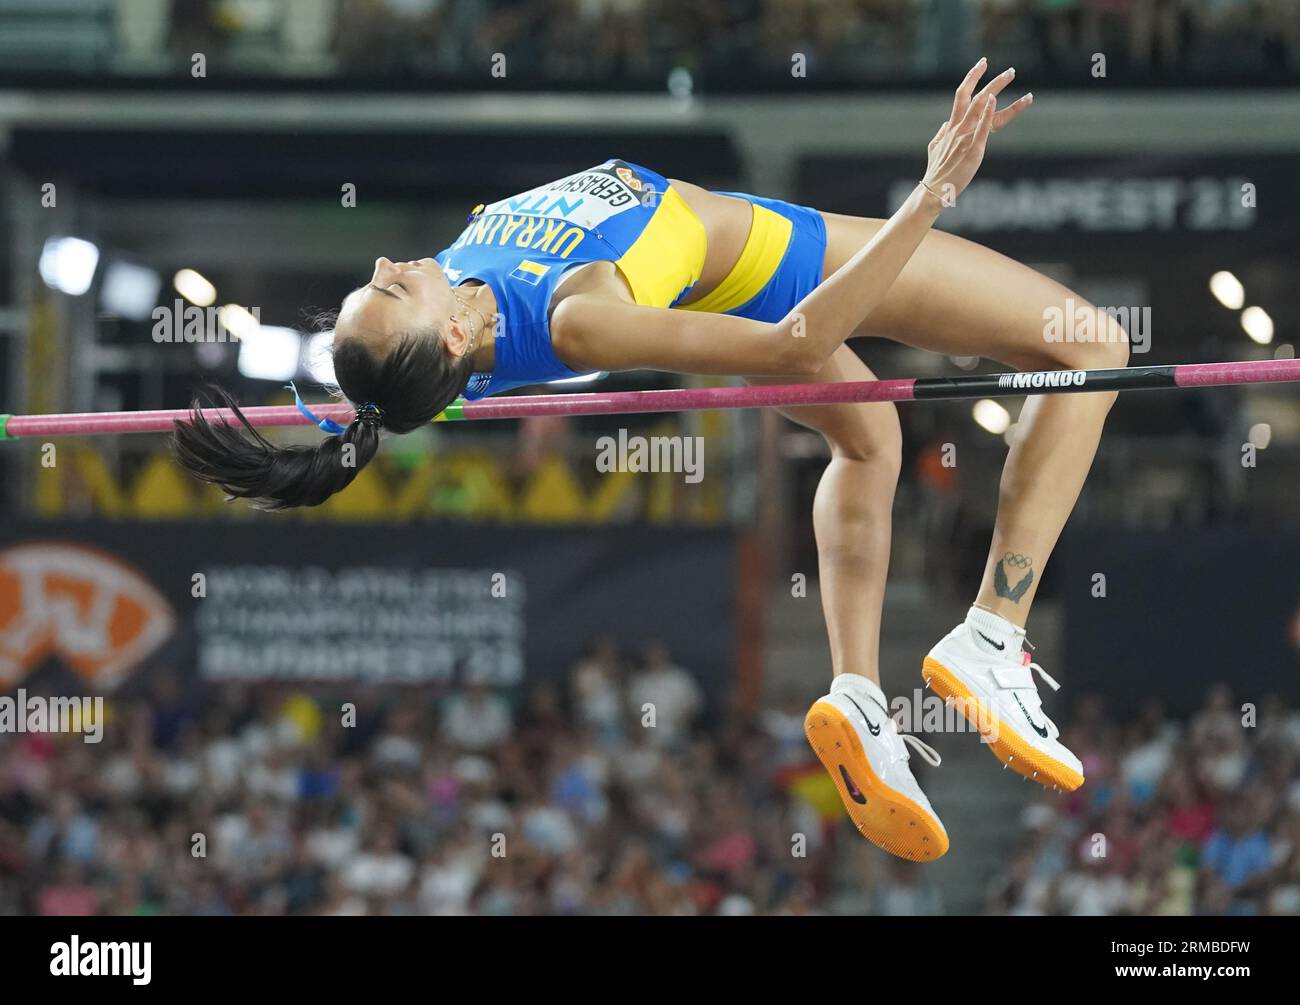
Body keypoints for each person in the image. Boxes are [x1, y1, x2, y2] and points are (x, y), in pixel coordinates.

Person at [174, 60, 1128, 861]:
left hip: (718, 270)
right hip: (785, 266)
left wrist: (356, 399)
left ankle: (860, 699)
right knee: (1092, 344)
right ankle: (992, 633)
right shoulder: (570, 316)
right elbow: (799, 342)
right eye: (388, 294)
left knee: (869, 439)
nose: (386, 271)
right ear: (456, 332)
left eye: (368, 286)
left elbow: (395, 384)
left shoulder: (459, 296)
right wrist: (932, 194)